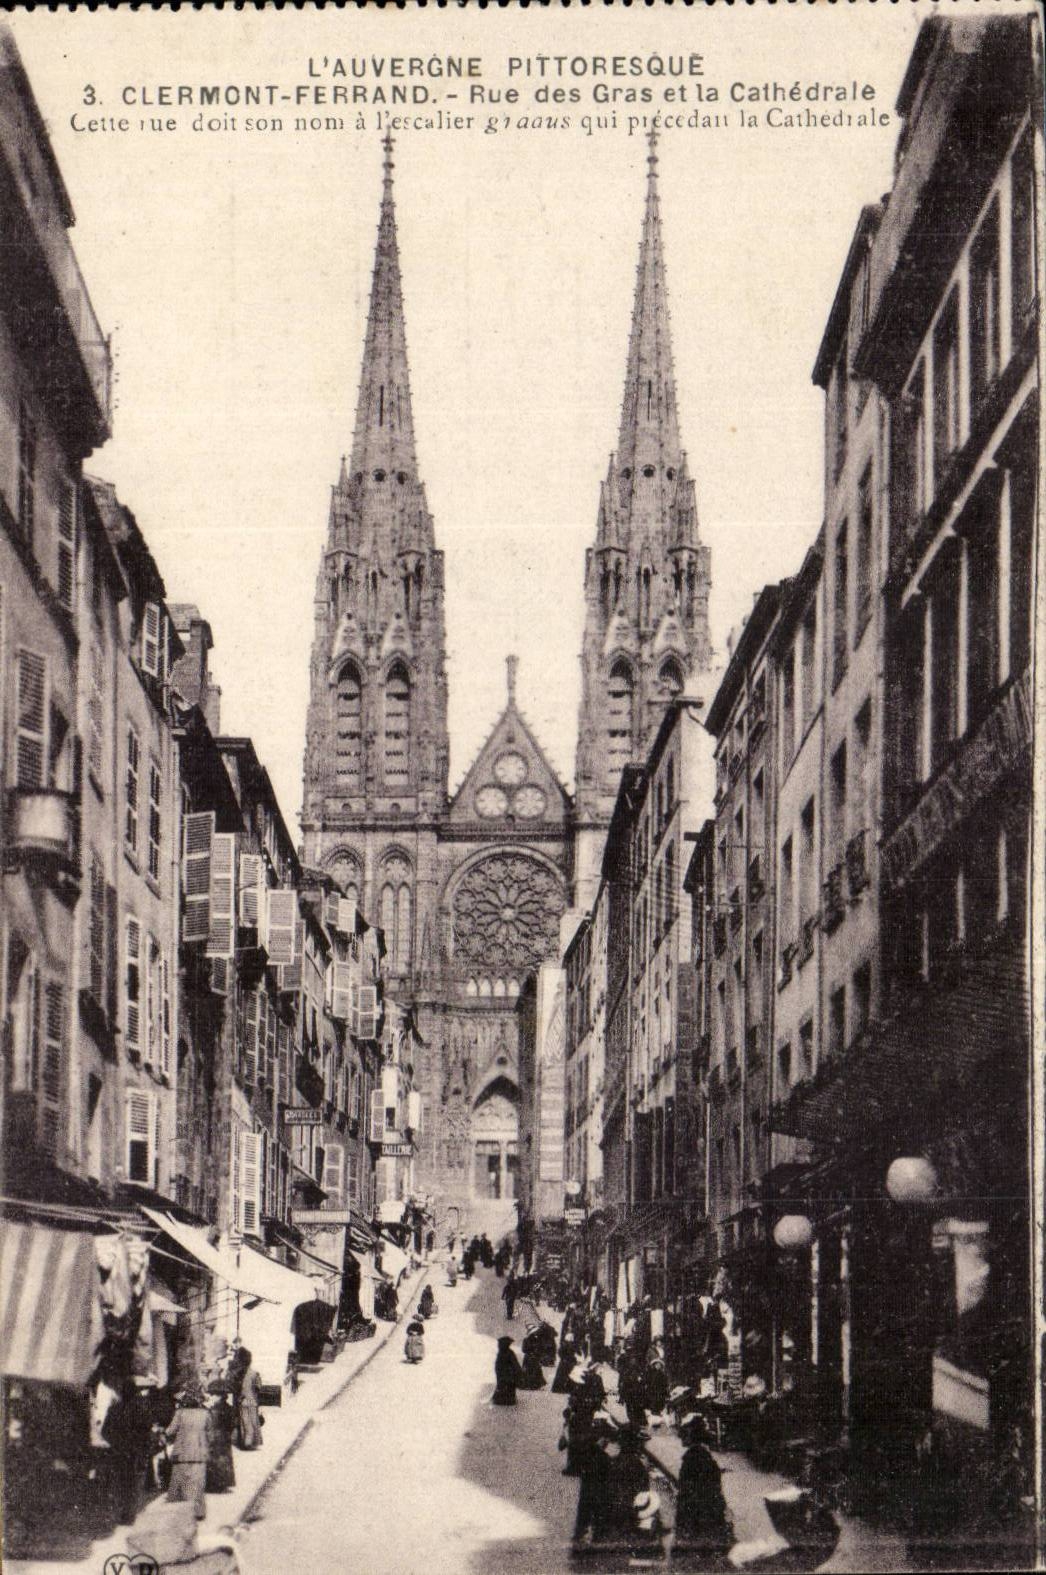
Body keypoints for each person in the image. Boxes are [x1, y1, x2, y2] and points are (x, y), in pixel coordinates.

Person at [672, 1413, 733, 1569]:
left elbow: (689, 1492)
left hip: (697, 1514)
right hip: (705, 1513)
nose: (681, 1438)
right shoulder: (703, 1457)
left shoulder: (692, 1459)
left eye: (684, 1434)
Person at [102, 1377, 155, 1525]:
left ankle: (121, 1514)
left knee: (119, 1482)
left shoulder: (114, 1409)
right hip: (136, 1451)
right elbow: (147, 1429)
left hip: (119, 1451)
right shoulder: (141, 1409)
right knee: (133, 1483)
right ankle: (130, 1514)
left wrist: (115, 1442)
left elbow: (105, 1431)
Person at [165, 1383, 213, 1521]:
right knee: (197, 1483)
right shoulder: (205, 1414)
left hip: (182, 1451)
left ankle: (177, 1511)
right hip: (200, 1452)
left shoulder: (180, 1413)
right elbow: (210, 1433)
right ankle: (197, 1512)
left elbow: (170, 1431)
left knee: (179, 1482)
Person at [571, 1410, 613, 1554]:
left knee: (585, 1510)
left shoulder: (587, 1441)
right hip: (597, 1486)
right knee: (597, 1510)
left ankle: (580, 1533)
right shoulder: (602, 1455)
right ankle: (596, 1536)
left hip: (587, 1484)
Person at [204, 1375, 237, 1493]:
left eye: (214, 1395)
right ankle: (223, 1483)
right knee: (224, 1459)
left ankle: (214, 1484)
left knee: (214, 1459)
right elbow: (233, 1423)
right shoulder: (228, 1408)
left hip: (216, 1435)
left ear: (219, 1396)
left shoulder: (214, 1410)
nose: (212, 1397)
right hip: (225, 1435)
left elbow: (210, 1423)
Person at [230, 1348, 262, 1451]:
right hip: (252, 1401)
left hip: (243, 1401)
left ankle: (246, 1442)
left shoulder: (239, 1374)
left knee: (245, 1422)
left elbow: (237, 1388)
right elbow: (258, 1387)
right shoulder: (254, 1373)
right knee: (252, 1421)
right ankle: (250, 1442)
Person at [492, 1336, 524, 1406]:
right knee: (509, 1387)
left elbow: (497, 1365)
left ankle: (500, 1400)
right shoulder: (510, 1353)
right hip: (510, 1374)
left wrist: (498, 1373)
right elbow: (515, 1364)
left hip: (502, 1374)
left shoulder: (500, 1353)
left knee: (502, 1386)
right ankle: (509, 1401)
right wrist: (519, 1372)